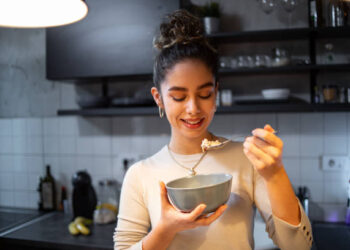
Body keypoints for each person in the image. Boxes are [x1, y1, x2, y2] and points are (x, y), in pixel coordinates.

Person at [114, 9, 312, 250]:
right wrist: (166, 229)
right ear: (158, 98)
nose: (193, 108)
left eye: (204, 94)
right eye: (178, 97)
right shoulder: (140, 174)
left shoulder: (247, 160)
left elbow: (299, 246)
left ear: (216, 93)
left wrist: (275, 173)